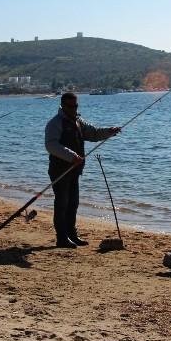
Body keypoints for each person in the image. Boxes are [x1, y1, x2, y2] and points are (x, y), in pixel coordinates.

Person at [45, 92, 121, 248]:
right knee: (62, 203)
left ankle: (72, 234)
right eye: (71, 106)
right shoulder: (55, 123)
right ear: (63, 106)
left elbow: (93, 134)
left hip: (74, 170)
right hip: (59, 170)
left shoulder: (79, 122)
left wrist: (109, 131)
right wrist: (72, 156)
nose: (74, 109)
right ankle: (62, 238)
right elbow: (51, 145)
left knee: (73, 203)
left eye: (76, 106)